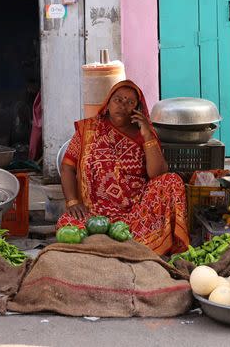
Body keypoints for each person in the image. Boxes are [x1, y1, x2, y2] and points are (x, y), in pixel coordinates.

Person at [57, 80, 189, 255]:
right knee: (66, 223)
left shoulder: (145, 134)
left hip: (136, 214)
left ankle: (122, 243)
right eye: (118, 100)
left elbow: (157, 173)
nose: (123, 105)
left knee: (172, 180)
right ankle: (122, 244)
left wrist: (147, 134)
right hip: (95, 214)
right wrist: (73, 202)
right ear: (108, 103)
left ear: (138, 109)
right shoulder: (87, 129)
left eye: (130, 102)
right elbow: (67, 168)